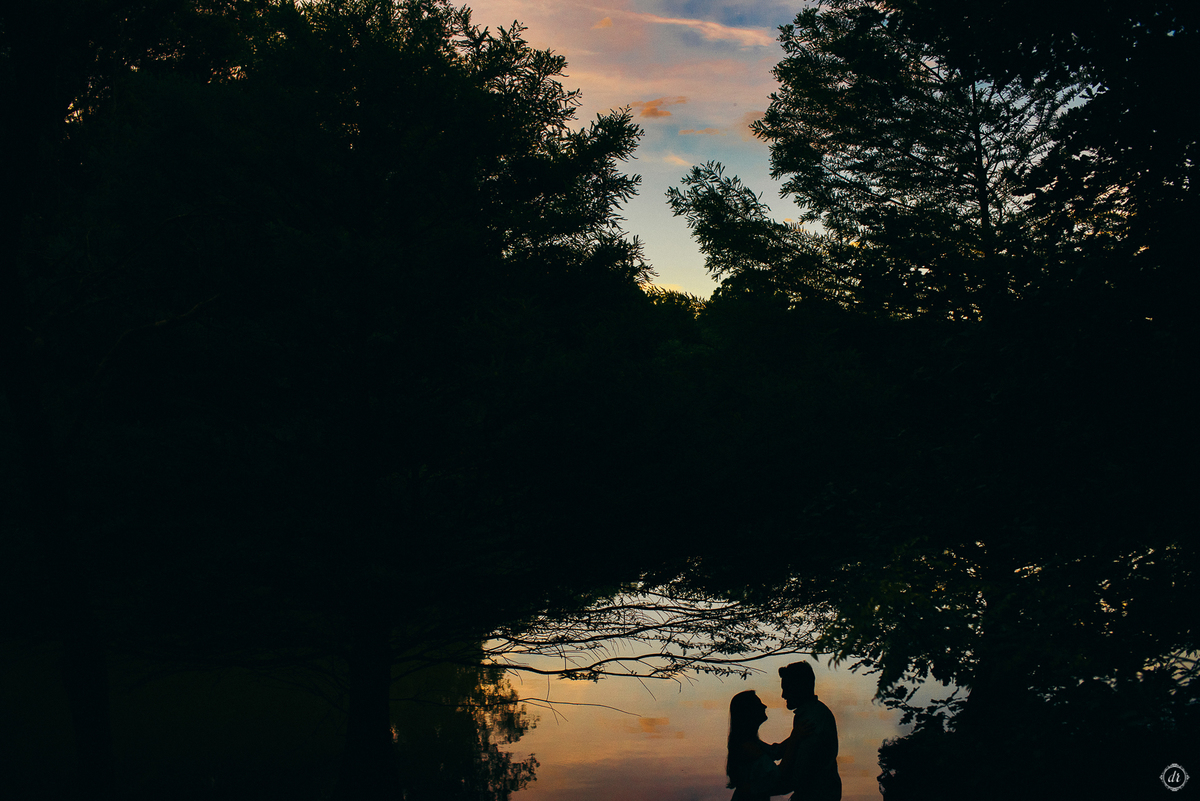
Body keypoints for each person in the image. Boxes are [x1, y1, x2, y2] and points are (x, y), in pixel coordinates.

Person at [773, 661, 841, 801]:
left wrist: (757, 789)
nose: (783, 695)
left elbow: (800, 774)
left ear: (800, 688)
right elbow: (782, 749)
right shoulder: (812, 714)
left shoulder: (811, 721)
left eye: (786, 689)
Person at [726, 690, 783, 801]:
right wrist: (795, 739)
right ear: (749, 712)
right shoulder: (748, 747)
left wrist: (796, 734)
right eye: (759, 704)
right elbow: (777, 775)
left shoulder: (749, 742)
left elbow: (775, 752)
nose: (764, 706)